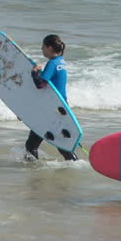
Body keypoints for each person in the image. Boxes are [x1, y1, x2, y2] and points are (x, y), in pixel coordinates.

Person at [24, 34, 78, 162]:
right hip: (61, 106)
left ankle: (34, 174)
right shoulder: (61, 62)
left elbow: (40, 85)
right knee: (62, 145)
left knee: (31, 146)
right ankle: (75, 165)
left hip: (51, 109)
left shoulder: (52, 63)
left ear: (49, 47)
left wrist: (34, 72)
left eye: (43, 46)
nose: (42, 49)